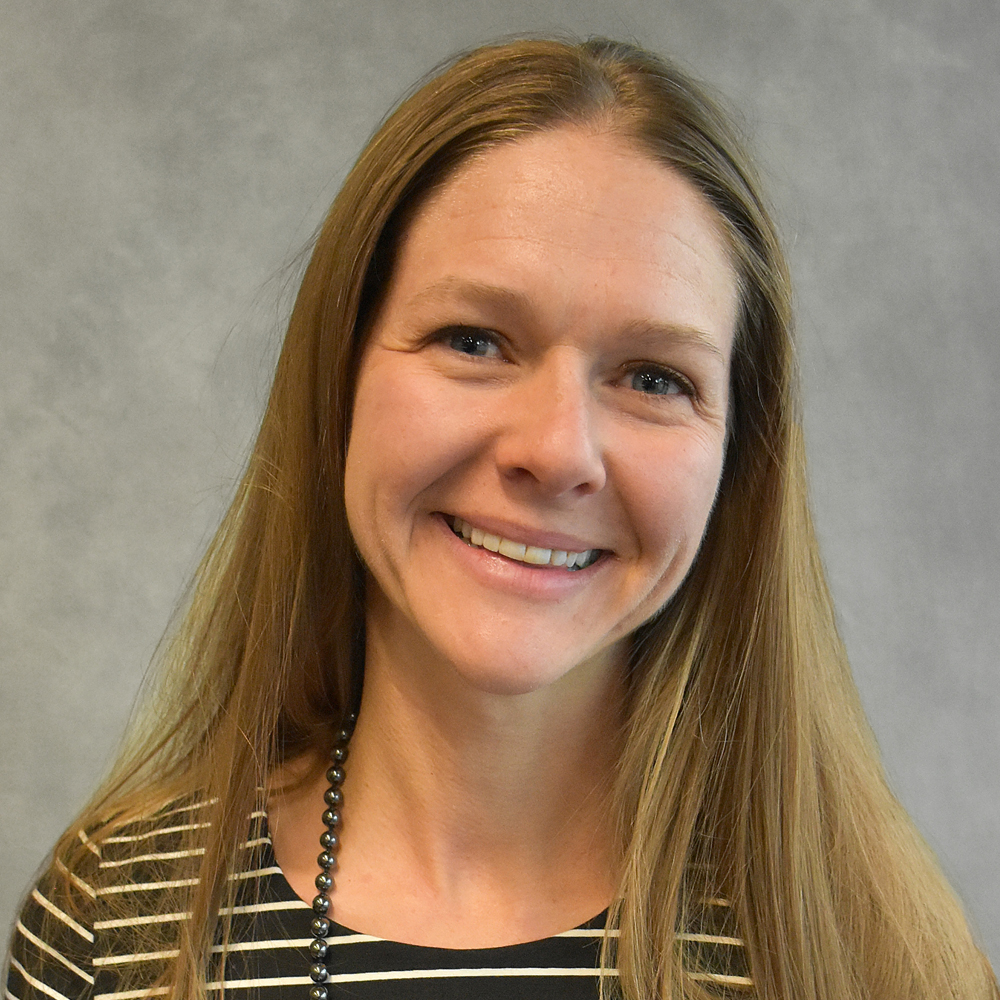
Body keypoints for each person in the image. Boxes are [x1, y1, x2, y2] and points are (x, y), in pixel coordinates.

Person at [5, 36, 996, 1000]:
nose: (557, 449)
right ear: (339, 380)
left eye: (654, 376)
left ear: (738, 458)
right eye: (474, 339)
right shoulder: (115, 923)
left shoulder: (868, 945)